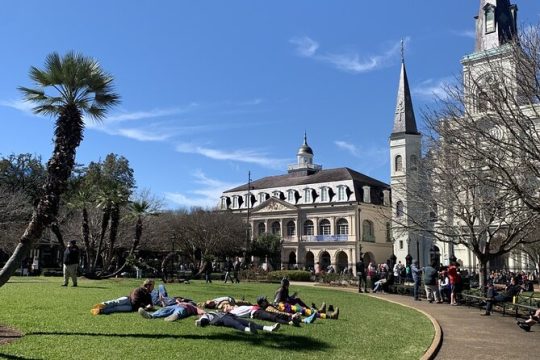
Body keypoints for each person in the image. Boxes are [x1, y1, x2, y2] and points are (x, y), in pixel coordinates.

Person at [91, 279, 155, 315]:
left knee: (116, 309)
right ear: (148, 286)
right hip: (128, 300)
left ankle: (100, 311)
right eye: (152, 286)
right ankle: (102, 305)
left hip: (131, 307)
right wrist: (145, 307)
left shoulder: (148, 295)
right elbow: (135, 301)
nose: (153, 288)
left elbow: (150, 305)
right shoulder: (138, 290)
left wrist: (149, 307)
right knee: (115, 302)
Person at [195, 311, 280, 334]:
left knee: (249, 322)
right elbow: (203, 321)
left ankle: (270, 328)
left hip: (229, 316)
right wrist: (199, 321)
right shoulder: (204, 316)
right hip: (220, 319)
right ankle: (249, 330)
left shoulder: (211, 311)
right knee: (236, 324)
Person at [139, 299, 205, 321]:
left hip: (184, 309)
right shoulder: (180, 303)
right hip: (174, 306)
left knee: (180, 311)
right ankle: (150, 316)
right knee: (164, 310)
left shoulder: (193, 306)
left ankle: (174, 316)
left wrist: (204, 314)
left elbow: (201, 311)